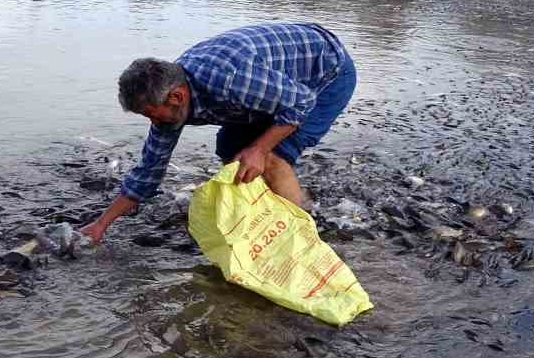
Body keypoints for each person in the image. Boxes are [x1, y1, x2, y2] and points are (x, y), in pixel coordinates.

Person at [79, 22, 358, 244]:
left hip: (325, 74)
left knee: (272, 156)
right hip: (273, 83)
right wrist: (101, 224)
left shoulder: (230, 80)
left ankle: (300, 234)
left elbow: (301, 102)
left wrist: (259, 149)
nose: (153, 122)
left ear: (177, 97)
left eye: (152, 114)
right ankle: (272, 206)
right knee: (229, 146)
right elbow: (149, 172)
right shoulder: (172, 102)